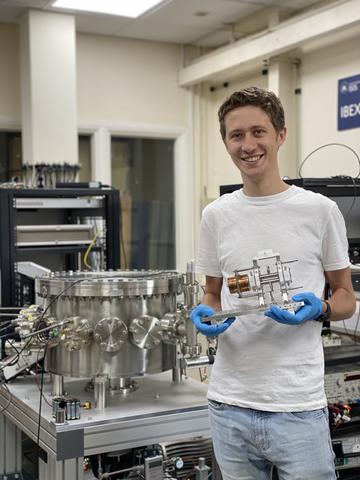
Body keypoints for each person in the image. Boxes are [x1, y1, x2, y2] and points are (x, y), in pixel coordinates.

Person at [190, 86, 356, 480]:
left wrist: (323, 309)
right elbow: (213, 292)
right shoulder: (216, 215)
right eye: (236, 135)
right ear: (226, 142)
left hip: (297, 406)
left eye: (258, 132)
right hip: (229, 405)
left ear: (280, 135)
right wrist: (208, 313)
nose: (248, 145)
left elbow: (346, 296)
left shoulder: (320, 210)